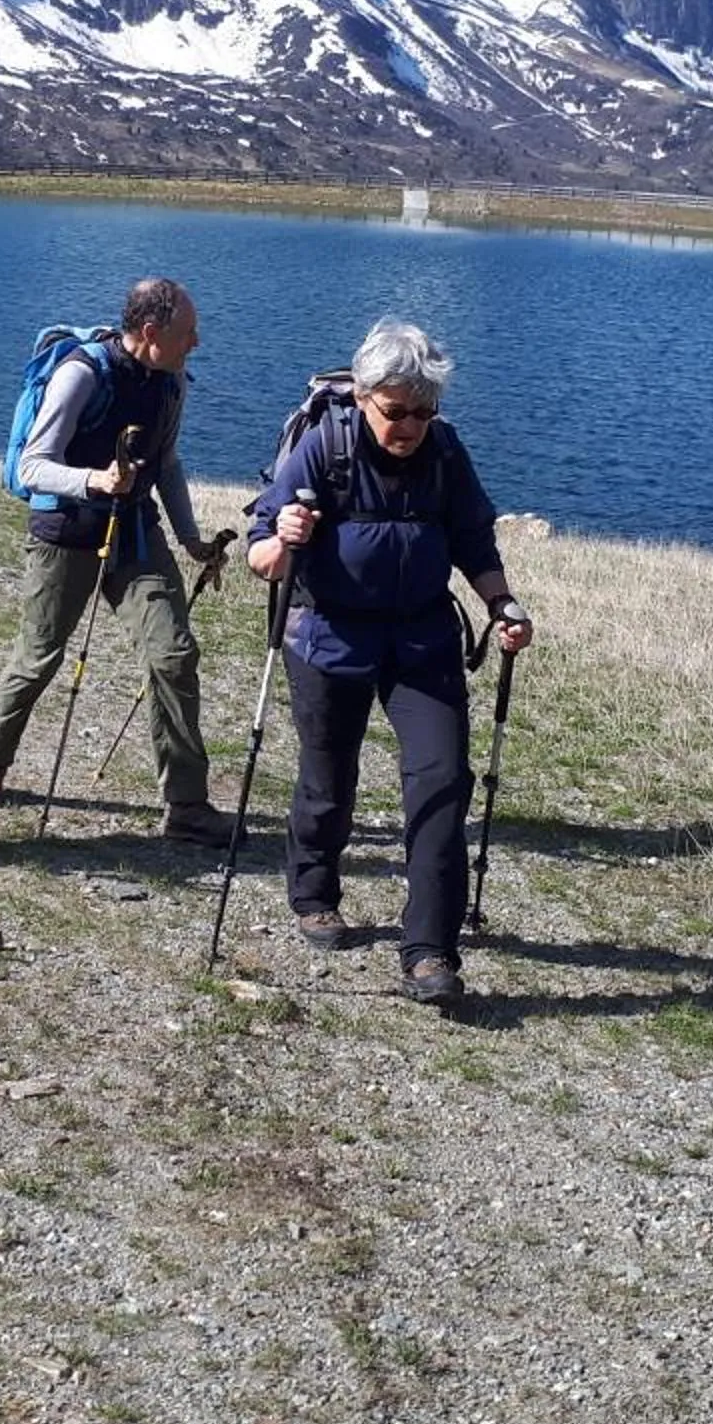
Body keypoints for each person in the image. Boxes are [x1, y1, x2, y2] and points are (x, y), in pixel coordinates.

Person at [246, 317, 535, 1002]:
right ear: (365, 396)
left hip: (422, 639)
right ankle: (313, 891)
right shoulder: (325, 444)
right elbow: (261, 556)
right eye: (396, 411)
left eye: (423, 412)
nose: (409, 425)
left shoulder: (444, 451)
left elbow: (472, 540)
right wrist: (284, 538)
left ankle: (430, 951)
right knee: (328, 776)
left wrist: (503, 606)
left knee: (441, 782)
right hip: (329, 637)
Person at [0, 277, 234, 842]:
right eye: (189, 333)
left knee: (174, 656)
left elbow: (166, 463)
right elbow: (33, 465)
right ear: (152, 331)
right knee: (40, 655)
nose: (197, 343)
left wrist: (190, 539)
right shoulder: (80, 375)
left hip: (134, 533)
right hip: (65, 532)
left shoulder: (171, 380)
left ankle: (186, 805)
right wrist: (95, 480)